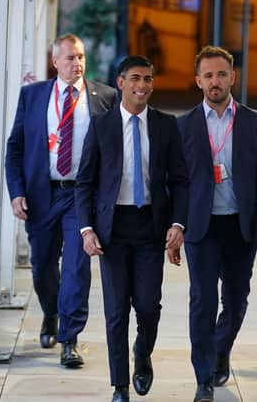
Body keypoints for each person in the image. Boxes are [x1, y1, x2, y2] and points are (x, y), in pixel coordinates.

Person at [74, 55, 189, 402]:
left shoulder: (167, 125)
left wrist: (177, 223)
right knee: (115, 310)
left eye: (149, 79)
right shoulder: (101, 126)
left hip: (150, 226)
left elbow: (180, 181)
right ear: (121, 82)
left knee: (149, 305)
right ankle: (120, 385)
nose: (143, 86)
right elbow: (84, 183)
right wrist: (86, 229)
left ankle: (143, 353)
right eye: (136, 78)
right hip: (112, 229)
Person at [5, 33, 117, 367]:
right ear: (55, 62)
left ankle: (70, 338)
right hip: (43, 194)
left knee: (77, 268)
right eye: (69, 58)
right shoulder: (33, 96)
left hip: (82, 196)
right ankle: (51, 312)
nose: (76, 63)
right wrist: (17, 192)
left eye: (80, 56)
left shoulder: (104, 97)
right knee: (42, 266)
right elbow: (15, 149)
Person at [177, 46, 257, 402]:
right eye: (208, 75)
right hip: (200, 227)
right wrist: (174, 228)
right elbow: (175, 181)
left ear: (233, 77)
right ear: (198, 79)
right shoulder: (183, 125)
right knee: (201, 300)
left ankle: (221, 348)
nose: (215, 81)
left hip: (240, 225)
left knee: (236, 299)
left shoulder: (255, 122)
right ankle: (203, 377)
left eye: (221, 74)